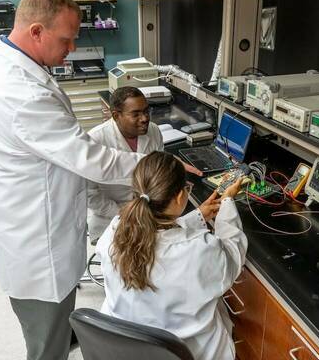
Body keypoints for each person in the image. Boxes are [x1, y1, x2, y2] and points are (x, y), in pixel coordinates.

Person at [0, 0, 144, 360]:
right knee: (46, 346)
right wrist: (152, 165)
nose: (71, 49)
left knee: (51, 329)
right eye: (66, 40)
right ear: (36, 31)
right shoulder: (21, 92)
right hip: (37, 244)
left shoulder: (4, 61)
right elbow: (88, 158)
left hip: (24, 220)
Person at [96, 152, 247, 360]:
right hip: (190, 353)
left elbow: (160, 238)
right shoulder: (198, 250)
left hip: (128, 349)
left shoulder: (115, 230)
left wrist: (196, 218)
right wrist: (228, 203)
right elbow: (232, 253)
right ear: (179, 196)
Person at [88, 86, 203, 242]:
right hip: (111, 220)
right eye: (135, 114)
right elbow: (90, 195)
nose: (144, 118)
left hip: (150, 214)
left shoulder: (153, 130)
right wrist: (123, 211)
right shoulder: (95, 140)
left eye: (146, 111)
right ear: (116, 116)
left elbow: (158, 173)